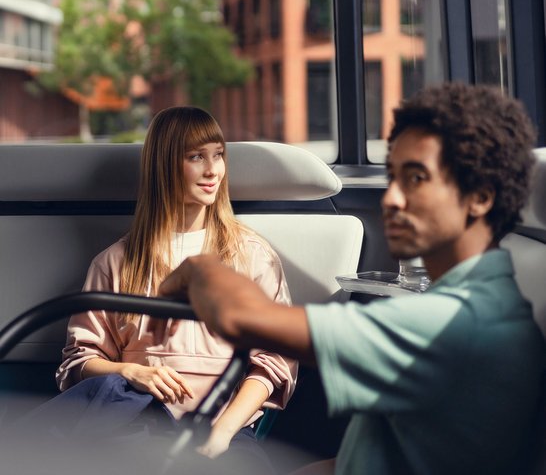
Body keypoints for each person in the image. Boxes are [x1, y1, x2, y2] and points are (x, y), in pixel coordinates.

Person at [151, 83, 546, 475]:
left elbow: (242, 318)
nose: (390, 198)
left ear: (479, 197)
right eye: (392, 177)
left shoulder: (455, 326)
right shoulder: (486, 301)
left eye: (416, 178)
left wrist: (199, 269)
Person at [55, 106, 297, 463]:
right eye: (196, 157)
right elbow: (80, 360)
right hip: (134, 423)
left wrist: (223, 432)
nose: (213, 170)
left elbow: (273, 363)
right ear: (164, 165)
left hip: (223, 429)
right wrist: (129, 371)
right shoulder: (115, 262)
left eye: (218, 155)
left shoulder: (252, 256)